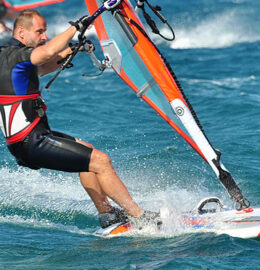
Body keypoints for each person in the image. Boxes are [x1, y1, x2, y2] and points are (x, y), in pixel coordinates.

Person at [0, 8, 161, 229]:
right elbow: (46, 53)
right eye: (39, 32)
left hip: (28, 140)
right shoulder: (16, 56)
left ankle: (107, 214)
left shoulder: (8, 58)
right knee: (100, 161)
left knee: (85, 154)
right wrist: (76, 27)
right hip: (32, 141)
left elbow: (43, 67)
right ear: (21, 32)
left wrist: (74, 49)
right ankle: (140, 216)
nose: (44, 36)